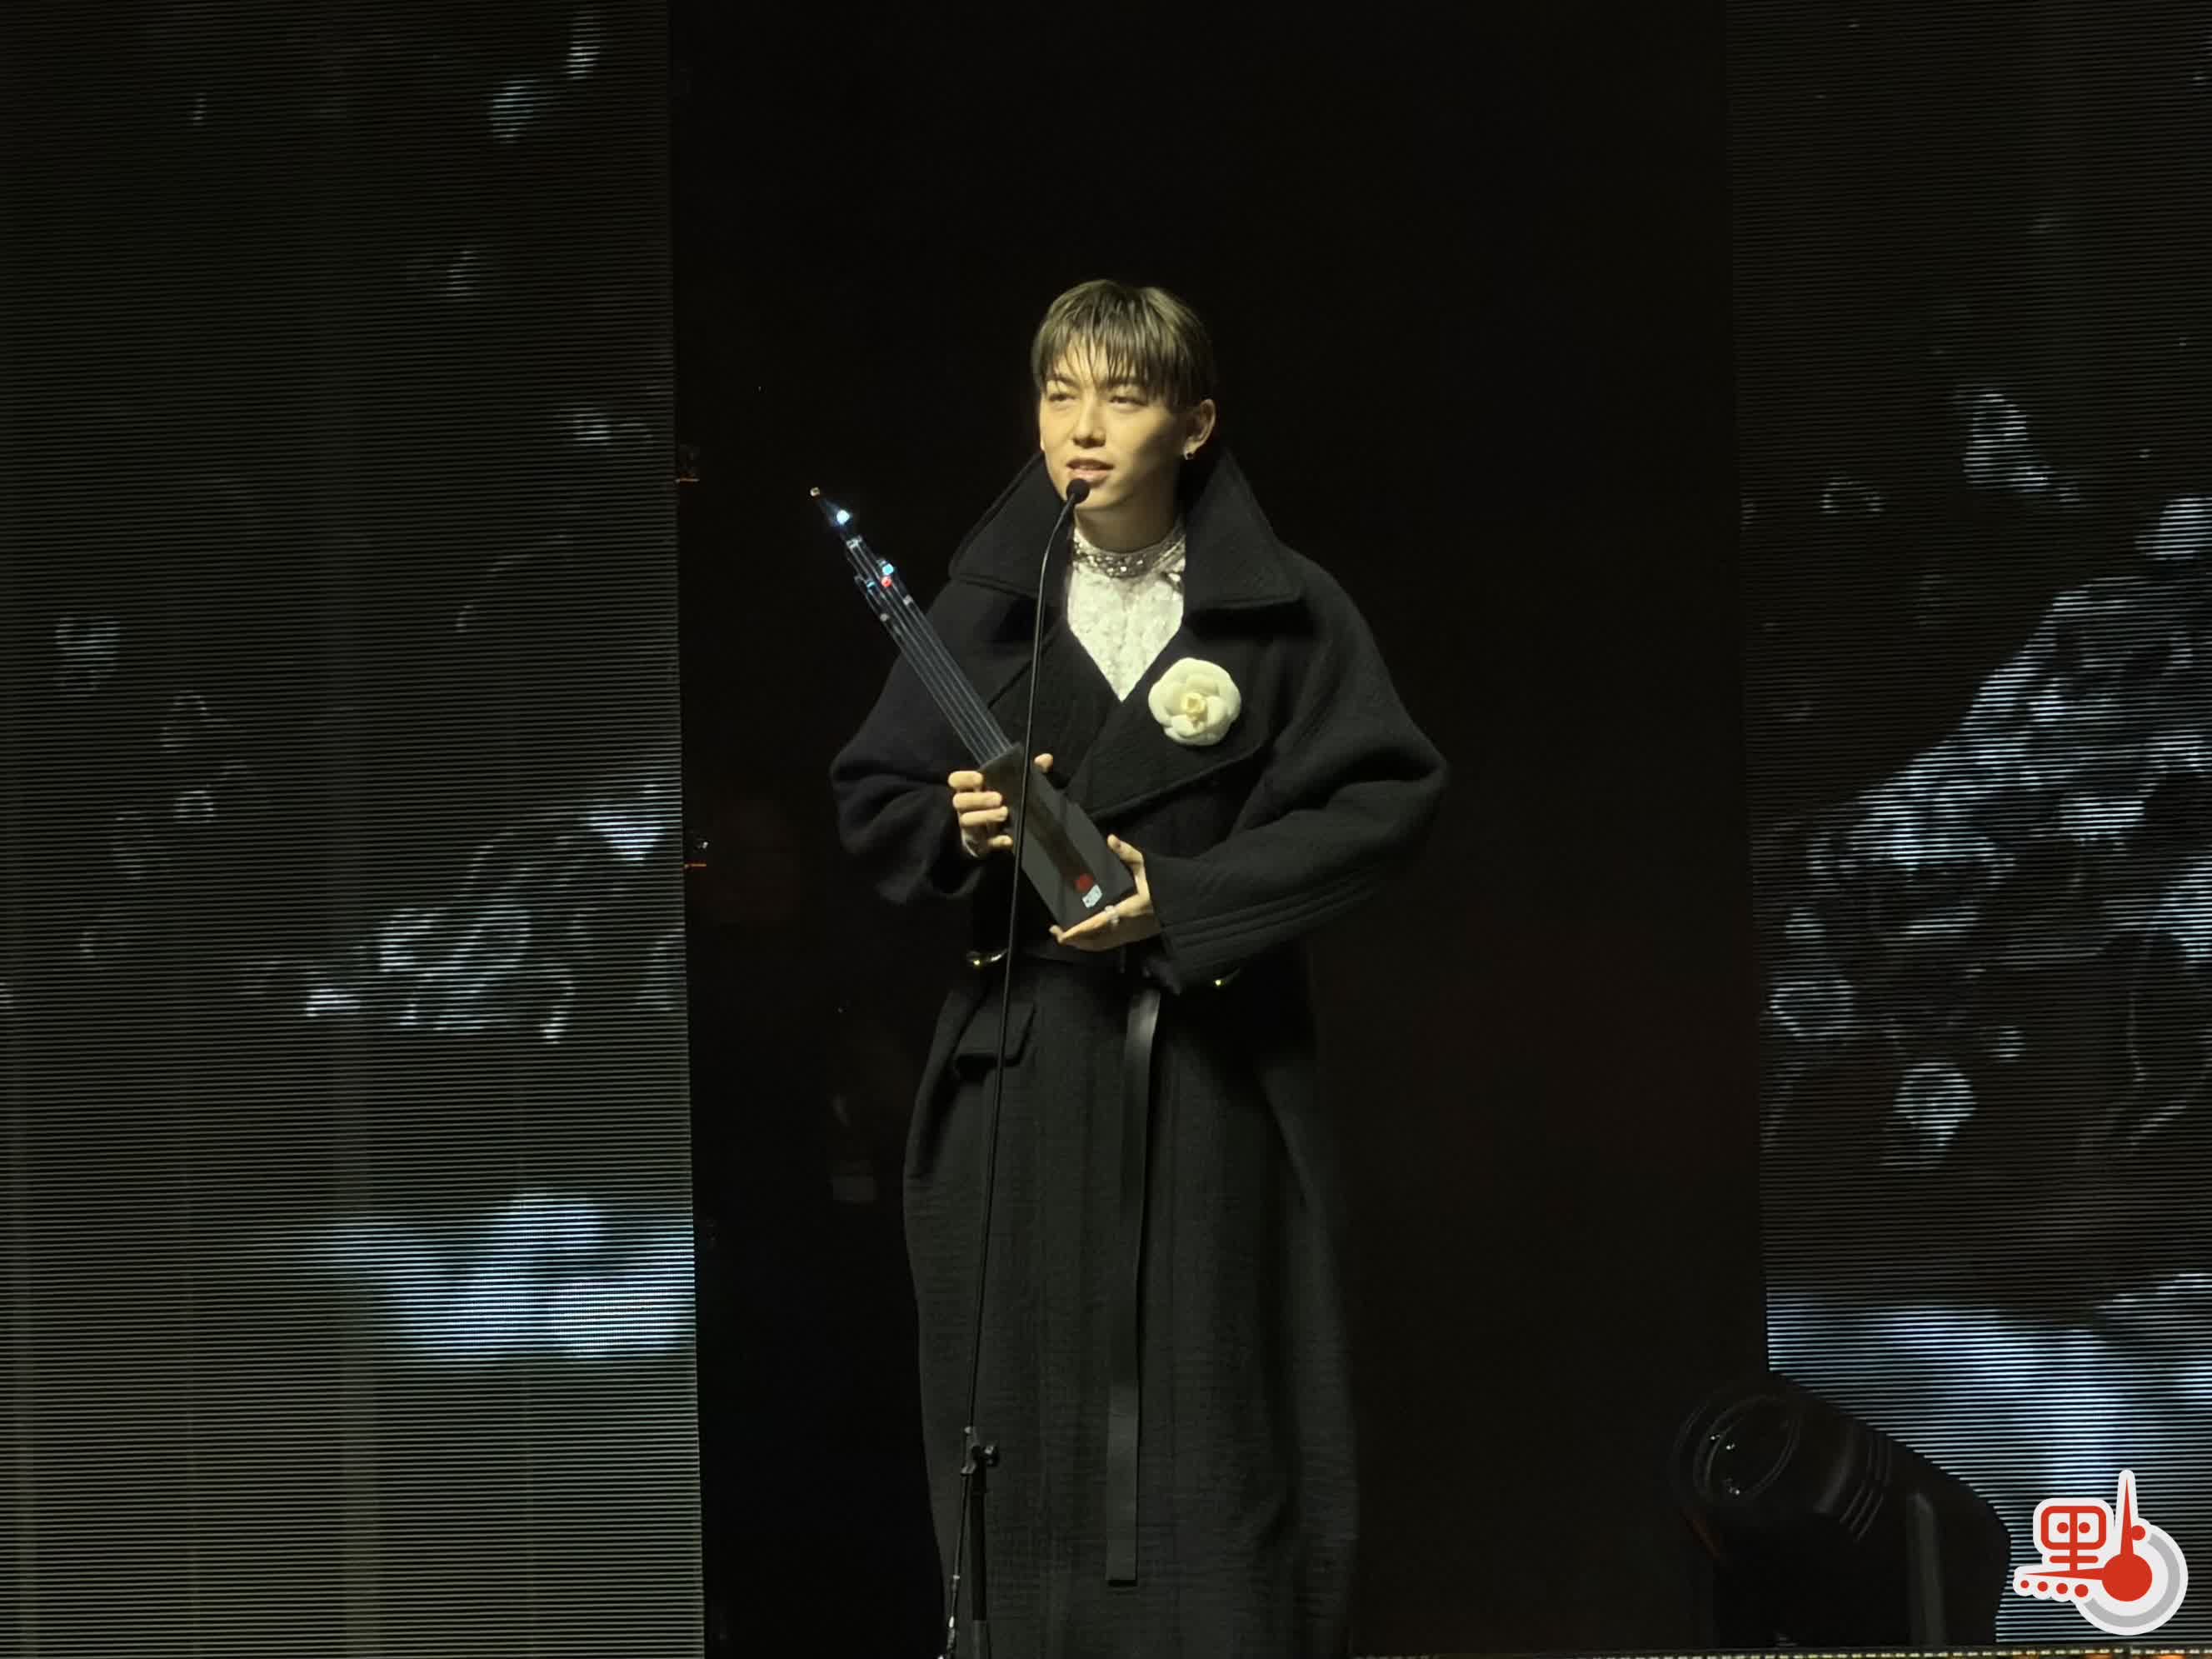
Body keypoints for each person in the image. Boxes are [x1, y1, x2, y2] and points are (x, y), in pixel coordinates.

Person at [829, 278, 1446, 1657]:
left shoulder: (1283, 610)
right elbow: (874, 799)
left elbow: (1387, 801)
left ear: (1196, 423)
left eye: (1121, 397)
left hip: (1207, 1066)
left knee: (1214, 1415)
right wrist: (958, 824)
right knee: (1021, 1416)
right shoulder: (983, 610)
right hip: (1024, 1067)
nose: (1083, 428)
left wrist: (1188, 898)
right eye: (1059, 395)